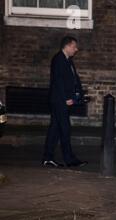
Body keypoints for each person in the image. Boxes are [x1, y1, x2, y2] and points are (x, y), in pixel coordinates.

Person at [42, 36, 88, 168]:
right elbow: (58, 82)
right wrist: (66, 98)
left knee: (55, 129)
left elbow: (74, 79)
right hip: (59, 101)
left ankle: (48, 157)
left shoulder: (68, 60)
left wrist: (80, 94)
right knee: (65, 129)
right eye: (74, 47)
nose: (76, 49)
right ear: (67, 46)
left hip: (62, 100)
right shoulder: (59, 60)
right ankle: (69, 159)